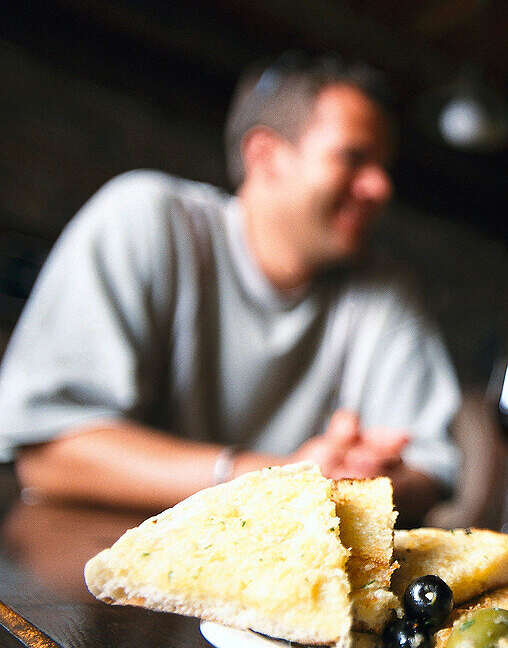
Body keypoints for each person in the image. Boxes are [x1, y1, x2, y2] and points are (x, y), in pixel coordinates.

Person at [0, 52, 461, 523]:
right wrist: (275, 480)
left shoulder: (387, 292)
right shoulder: (144, 219)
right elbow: (45, 456)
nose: (381, 188)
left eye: (383, 167)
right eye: (354, 157)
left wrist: (366, 483)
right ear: (264, 157)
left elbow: (431, 471)